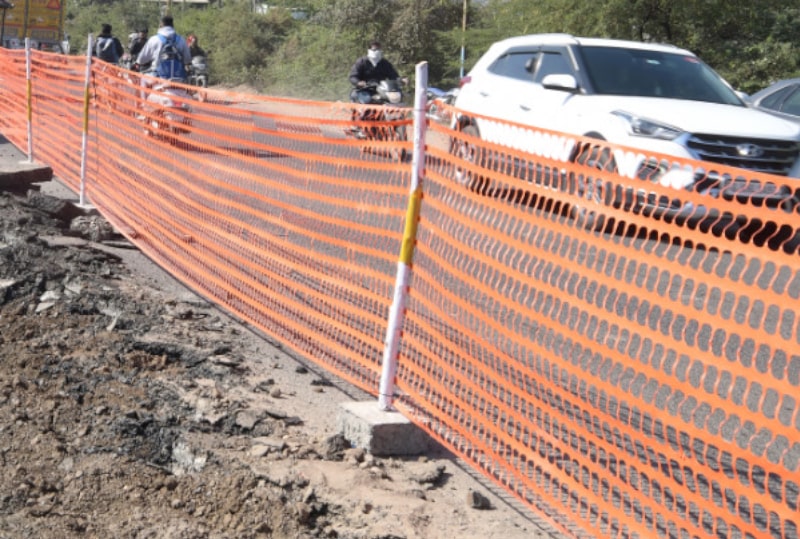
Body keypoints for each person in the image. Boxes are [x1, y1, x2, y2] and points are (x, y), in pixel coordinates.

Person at [348, 40, 406, 105]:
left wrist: (401, 80)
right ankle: (362, 114)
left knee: (395, 99)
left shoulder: (384, 63)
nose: (376, 51)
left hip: (380, 90)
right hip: (363, 90)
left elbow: (393, 75)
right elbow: (353, 76)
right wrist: (358, 82)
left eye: (378, 49)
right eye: (374, 49)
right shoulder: (361, 62)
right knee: (366, 100)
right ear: (369, 50)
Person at [134, 15, 191, 80]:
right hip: (178, 78)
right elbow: (187, 59)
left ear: (161, 24)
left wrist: (138, 63)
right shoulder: (181, 40)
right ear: (172, 25)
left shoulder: (154, 39)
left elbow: (142, 59)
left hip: (158, 77)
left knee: (143, 80)